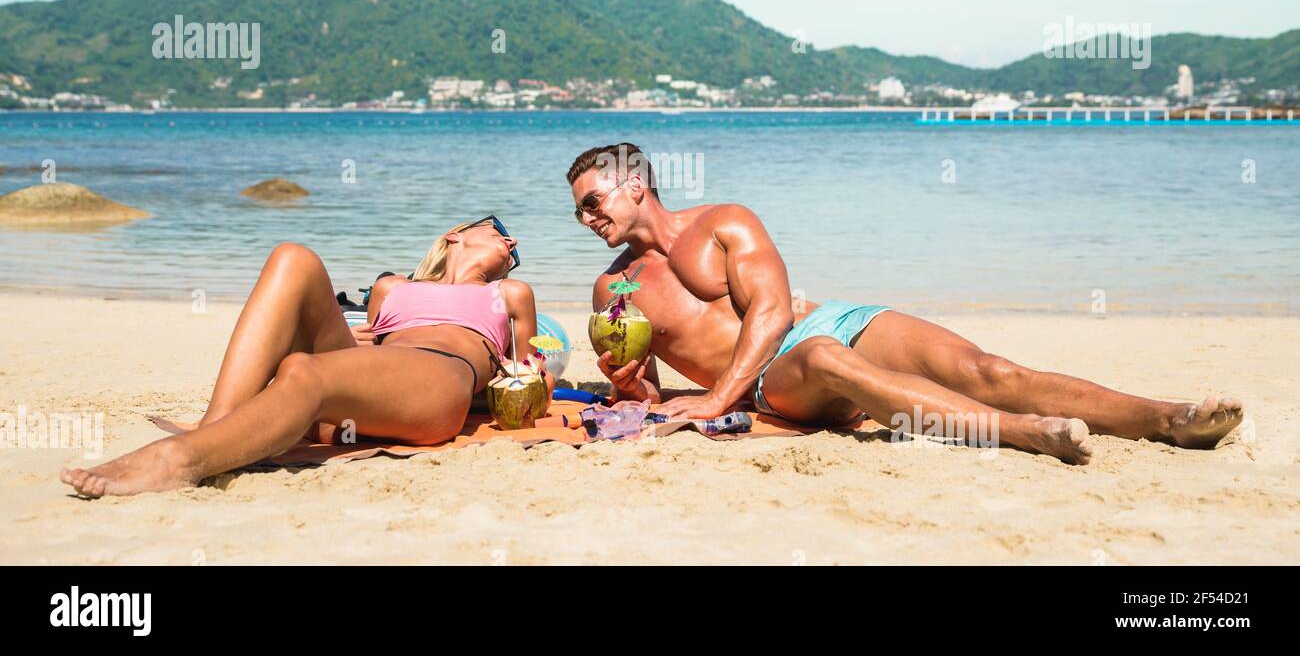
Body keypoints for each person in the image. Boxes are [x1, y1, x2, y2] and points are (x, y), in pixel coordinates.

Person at [568, 143, 1243, 465]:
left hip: (816, 324)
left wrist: (713, 400)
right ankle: (1029, 432)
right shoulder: (614, 288)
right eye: (579, 212)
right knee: (827, 357)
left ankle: (1169, 417)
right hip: (779, 383)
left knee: (990, 369)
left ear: (634, 185)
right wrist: (633, 384)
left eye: (593, 200)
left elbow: (772, 309)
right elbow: (645, 390)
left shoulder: (726, 220)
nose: (587, 217)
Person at [61, 216, 543, 497]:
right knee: (293, 257)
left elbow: (524, 379)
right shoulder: (392, 288)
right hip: (377, 374)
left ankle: (181, 460)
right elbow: (371, 343)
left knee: (300, 369)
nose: (512, 243)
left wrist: (529, 373)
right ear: (455, 235)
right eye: (500, 231)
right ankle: (218, 423)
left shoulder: (510, 293)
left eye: (514, 247)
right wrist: (357, 342)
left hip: (438, 378)